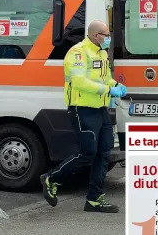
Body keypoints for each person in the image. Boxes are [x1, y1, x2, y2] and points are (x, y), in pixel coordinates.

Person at [40, 20, 127, 213]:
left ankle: (94, 199)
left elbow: (105, 77)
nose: (108, 38)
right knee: (88, 152)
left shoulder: (101, 53)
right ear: (96, 35)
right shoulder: (78, 52)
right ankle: (52, 178)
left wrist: (115, 86)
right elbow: (79, 81)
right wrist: (108, 89)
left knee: (103, 153)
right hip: (82, 108)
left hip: (100, 108)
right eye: (106, 35)